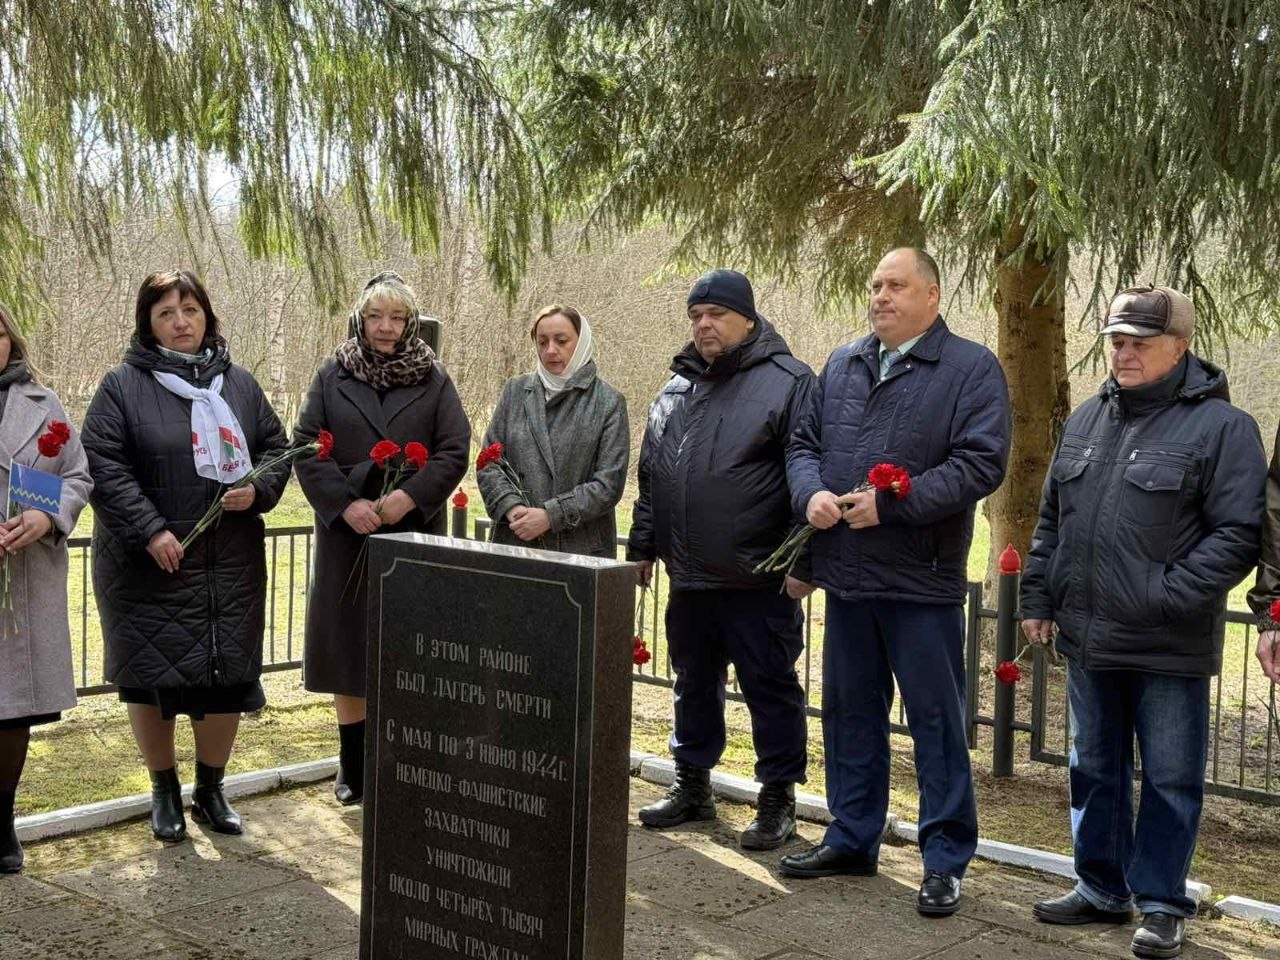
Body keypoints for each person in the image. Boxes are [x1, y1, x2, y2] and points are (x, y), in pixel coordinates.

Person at [1021, 286, 1265, 959]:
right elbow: (1052, 521)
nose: (1123, 354)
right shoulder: (1089, 419)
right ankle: (1099, 887)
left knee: (1168, 778)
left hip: (1167, 640)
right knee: (1092, 767)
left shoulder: (1224, 429)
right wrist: (1039, 598)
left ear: (1180, 348)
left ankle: (1160, 903)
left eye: (1139, 343)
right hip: (1089, 636)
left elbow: (1238, 534)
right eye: (1116, 342)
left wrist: (1164, 595)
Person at [782, 248, 1010, 917]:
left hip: (921, 581)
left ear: (932, 295)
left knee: (936, 725)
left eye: (896, 285)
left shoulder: (970, 369)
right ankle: (853, 837)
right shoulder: (843, 363)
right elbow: (802, 447)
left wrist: (895, 504)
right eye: (874, 284)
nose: (880, 296)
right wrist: (812, 496)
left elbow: (981, 463)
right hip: (848, 578)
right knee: (850, 715)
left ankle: (944, 860)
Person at [82, 270, 292, 843]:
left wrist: (258, 489)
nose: (181, 323)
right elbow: (102, 463)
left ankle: (211, 788)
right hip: (152, 565)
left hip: (229, 565)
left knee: (226, 680)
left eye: (191, 311)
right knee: (153, 683)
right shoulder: (122, 386)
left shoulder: (240, 385)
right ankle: (164, 790)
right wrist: (150, 530)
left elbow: (276, 449)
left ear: (208, 317)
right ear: (148, 324)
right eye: (166, 314)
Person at [627, 269, 815, 851]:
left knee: (770, 685)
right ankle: (692, 785)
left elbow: (807, 471)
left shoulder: (789, 382)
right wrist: (641, 547)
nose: (704, 324)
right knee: (692, 681)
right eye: (696, 315)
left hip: (760, 577)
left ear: (748, 319)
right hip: (689, 573)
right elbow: (652, 478)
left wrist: (798, 560)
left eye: (717, 314)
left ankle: (778, 797)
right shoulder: (675, 388)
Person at [294, 271, 469, 806]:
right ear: (360, 319)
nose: (386, 328)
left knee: (408, 647)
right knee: (349, 650)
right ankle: (353, 764)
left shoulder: (434, 379)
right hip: (347, 533)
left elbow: (454, 449)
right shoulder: (331, 373)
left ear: (410, 321)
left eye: (397, 318)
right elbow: (305, 445)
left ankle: (404, 759)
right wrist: (345, 503)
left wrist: (408, 497)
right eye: (376, 317)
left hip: (411, 532)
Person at [0, 304, 93, 873]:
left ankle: (1, 817)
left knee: (10, 711)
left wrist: (46, 515)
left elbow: (77, 475)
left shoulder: (43, 404)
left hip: (23, 575)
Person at [478, 304, 629, 558]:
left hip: (578, 548)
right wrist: (511, 507)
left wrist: (551, 515)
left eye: (561, 341)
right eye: (542, 342)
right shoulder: (515, 391)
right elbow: (488, 462)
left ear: (581, 342)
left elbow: (608, 484)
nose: (550, 350)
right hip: (515, 539)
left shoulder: (608, 402)